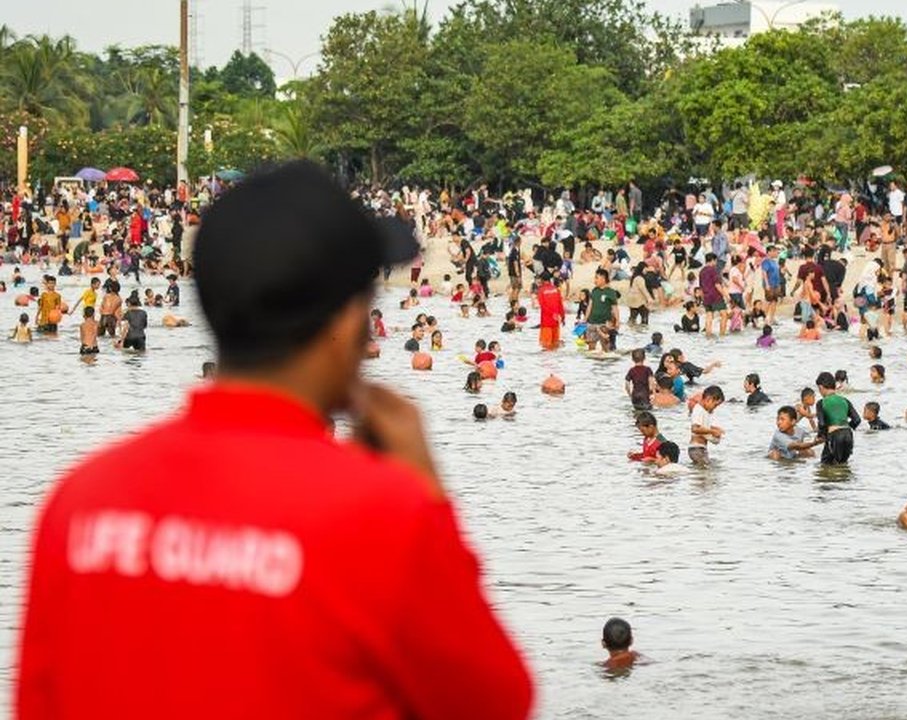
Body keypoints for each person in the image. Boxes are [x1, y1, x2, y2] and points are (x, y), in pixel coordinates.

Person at [15, 161, 533, 718]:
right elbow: (494, 702)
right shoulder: (380, 513)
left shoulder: (81, 500)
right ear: (346, 320)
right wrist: (428, 497)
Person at [815, 372, 860, 465]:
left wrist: (820, 436)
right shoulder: (845, 400)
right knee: (842, 465)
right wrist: (846, 427)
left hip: (834, 435)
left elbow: (822, 424)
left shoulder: (821, 403)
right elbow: (857, 420)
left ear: (821, 387)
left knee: (825, 465)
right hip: (848, 435)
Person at [584, 268, 620, 351]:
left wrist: (617, 321)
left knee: (606, 348)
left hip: (604, 324)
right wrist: (585, 319)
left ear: (603, 278)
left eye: (597, 278)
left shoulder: (611, 292)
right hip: (592, 323)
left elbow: (615, 308)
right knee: (591, 349)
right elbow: (590, 306)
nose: (594, 280)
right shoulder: (594, 291)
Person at [688, 385, 725, 466]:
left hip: (701, 448)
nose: (715, 408)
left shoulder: (705, 411)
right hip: (696, 448)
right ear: (708, 399)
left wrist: (716, 429)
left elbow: (703, 426)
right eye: (715, 405)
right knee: (705, 472)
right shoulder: (698, 410)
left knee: (704, 472)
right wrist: (712, 431)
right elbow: (694, 428)